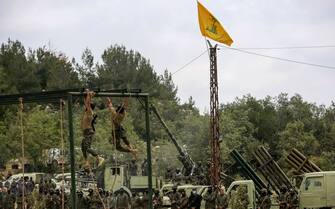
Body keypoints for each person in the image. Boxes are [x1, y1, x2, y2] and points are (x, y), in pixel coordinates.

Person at [81, 90, 104, 169]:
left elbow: (87, 104)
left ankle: (99, 157)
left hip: (88, 132)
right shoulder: (87, 112)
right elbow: (86, 103)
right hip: (86, 132)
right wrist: (86, 95)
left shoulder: (90, 112)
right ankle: (87, 162)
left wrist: (89, 95)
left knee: (86, 147)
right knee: (83, 147)